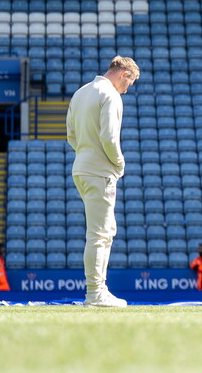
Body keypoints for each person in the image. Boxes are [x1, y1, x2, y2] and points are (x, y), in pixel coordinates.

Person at [67, 55, 139, 308]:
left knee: (102, 231)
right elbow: (110, 137)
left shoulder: (81, 92)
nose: (127, 89)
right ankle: (95, 293)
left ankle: (97, 290)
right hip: (100, 171)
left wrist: (86, 153)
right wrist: (119, 163)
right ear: (123, 74)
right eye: (129, 83)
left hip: (82, 168)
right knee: (100, 233)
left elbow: (71, 135)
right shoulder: (110, 95)